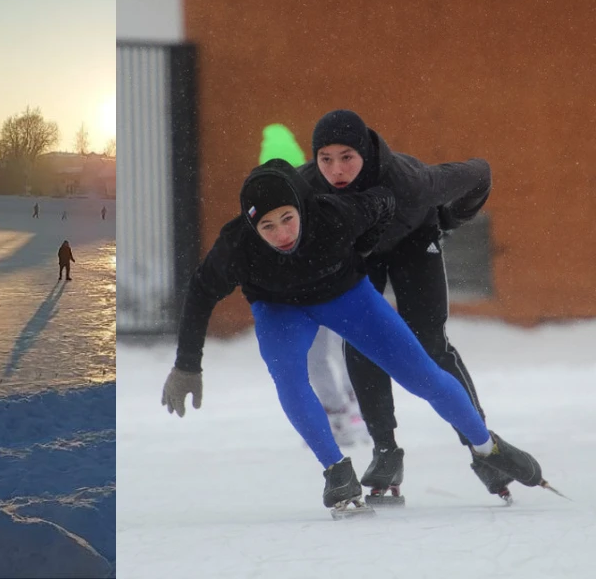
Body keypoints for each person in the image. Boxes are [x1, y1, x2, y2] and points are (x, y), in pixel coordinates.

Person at [160, 159, 548, 514]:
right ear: (252, 227)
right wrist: (187, 365)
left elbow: (384, 201)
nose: (280, 233)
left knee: (422, 374)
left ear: (302, 208)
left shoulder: (335, 215)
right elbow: (199, 294)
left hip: (345, 297)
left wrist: (362, 247)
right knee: (290, 378)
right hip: (280, 311)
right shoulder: (236, 247)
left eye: (287, 218)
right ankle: (337, 471)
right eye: (267, 226)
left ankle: (486, 447)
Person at [299, 109, 504, 502]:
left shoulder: (411, 182)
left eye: (347, 157)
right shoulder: (308, 185)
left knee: (429, 343)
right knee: (361, 340)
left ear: (363, 153)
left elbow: (480, 173)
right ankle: (386, 451)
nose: (336, 169)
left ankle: (482, 447)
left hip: (413, 240)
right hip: (361, 252)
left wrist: (449, 219)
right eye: (325, 159)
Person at [259, 121, 369, 448]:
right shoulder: (269, 212)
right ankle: (344, 413)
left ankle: (351, 411)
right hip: (306, 296)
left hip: (328, 291)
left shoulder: (320, 203)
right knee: (327, 353)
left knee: (338, 349)